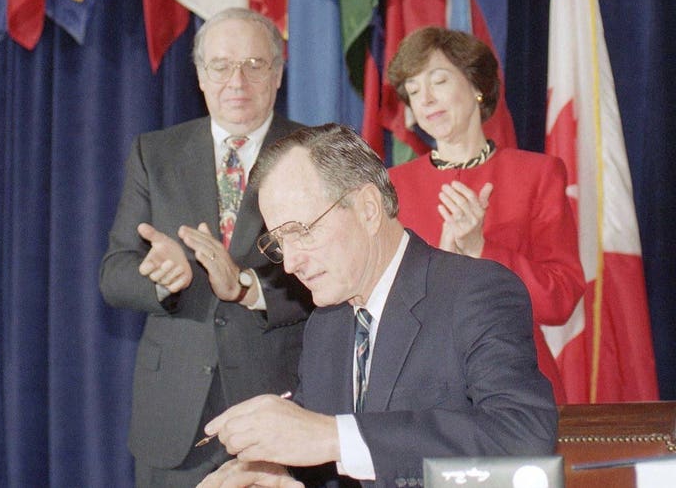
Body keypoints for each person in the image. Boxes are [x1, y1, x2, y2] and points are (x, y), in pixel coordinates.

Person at [197, 124, 557, 488]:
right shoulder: (326, 325)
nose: (290, 263)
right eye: (279, 242)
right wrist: (277, 470)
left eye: (301, 231)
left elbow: (523, 434)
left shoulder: (472, 292)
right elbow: (319, 444)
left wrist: (332, 437)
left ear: (368, 209)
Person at [99, 7, 313, 487]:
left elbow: (339, 276)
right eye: (220, 65)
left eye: (255, 65)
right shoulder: (154, 153)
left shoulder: (313, 151)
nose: (237, 80)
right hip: (173, 416)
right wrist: (162, 280)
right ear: (199, 75)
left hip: (279, 404)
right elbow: (114, 273)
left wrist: (245, 287)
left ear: (278, 74)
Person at [384, 26, 585, 394]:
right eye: (413, 91)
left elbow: (560, 300)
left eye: (438, 81)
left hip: (517, 386)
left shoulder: (537, 174)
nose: (425, 99)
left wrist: (481, 248)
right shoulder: (391, 187)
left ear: (477, 85)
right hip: (422, 391)